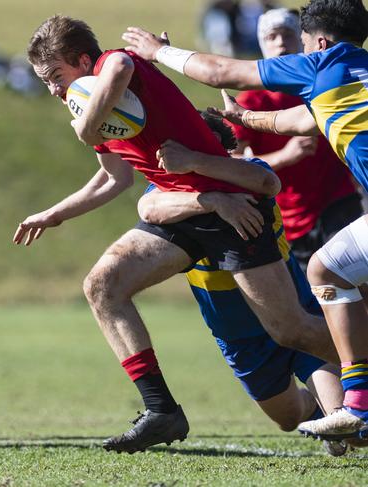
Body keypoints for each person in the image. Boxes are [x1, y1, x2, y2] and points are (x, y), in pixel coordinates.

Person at [15, 14, 335, 454]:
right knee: (103, 285)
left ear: (83, 59)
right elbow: (114, 180)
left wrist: (88, 123)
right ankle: (161, 410)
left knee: (290, 329)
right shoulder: (90, 105)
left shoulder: (116, 66)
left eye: (55, 75)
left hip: (231, 202)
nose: (52, 88)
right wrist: (53, 214)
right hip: (175, 209)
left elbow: (121, 68)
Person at [122, 0, 368, 441]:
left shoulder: (323, 63)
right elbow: (301, 119)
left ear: (321, 43)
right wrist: (244, 118)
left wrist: (159, 53)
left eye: (305, 43)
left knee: (326, 270)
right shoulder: (351, 80)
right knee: (333, 272)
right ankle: (359, 401)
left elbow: (219, 72)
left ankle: (361, 402)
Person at [137, 112, 346, 456]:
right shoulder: (171, 190)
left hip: (289, 306)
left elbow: (266, 181)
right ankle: (320, 411)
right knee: (288, 417)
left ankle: (341, 414)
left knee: (343, 426)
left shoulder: (250, 172)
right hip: (238, 334)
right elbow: (148, 206)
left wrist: (204, 172)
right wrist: (211, 201)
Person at [229, 8, 363, 274]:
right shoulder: (249, 102)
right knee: (314, 299)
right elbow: (231, 163)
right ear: (261, 46)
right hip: (289, 218)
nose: (280, 43)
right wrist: (284, 157)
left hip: (339, 202)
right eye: (271, 37)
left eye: (288, 35)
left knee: (356, 282)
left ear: (305, 40)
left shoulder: (323, 84)